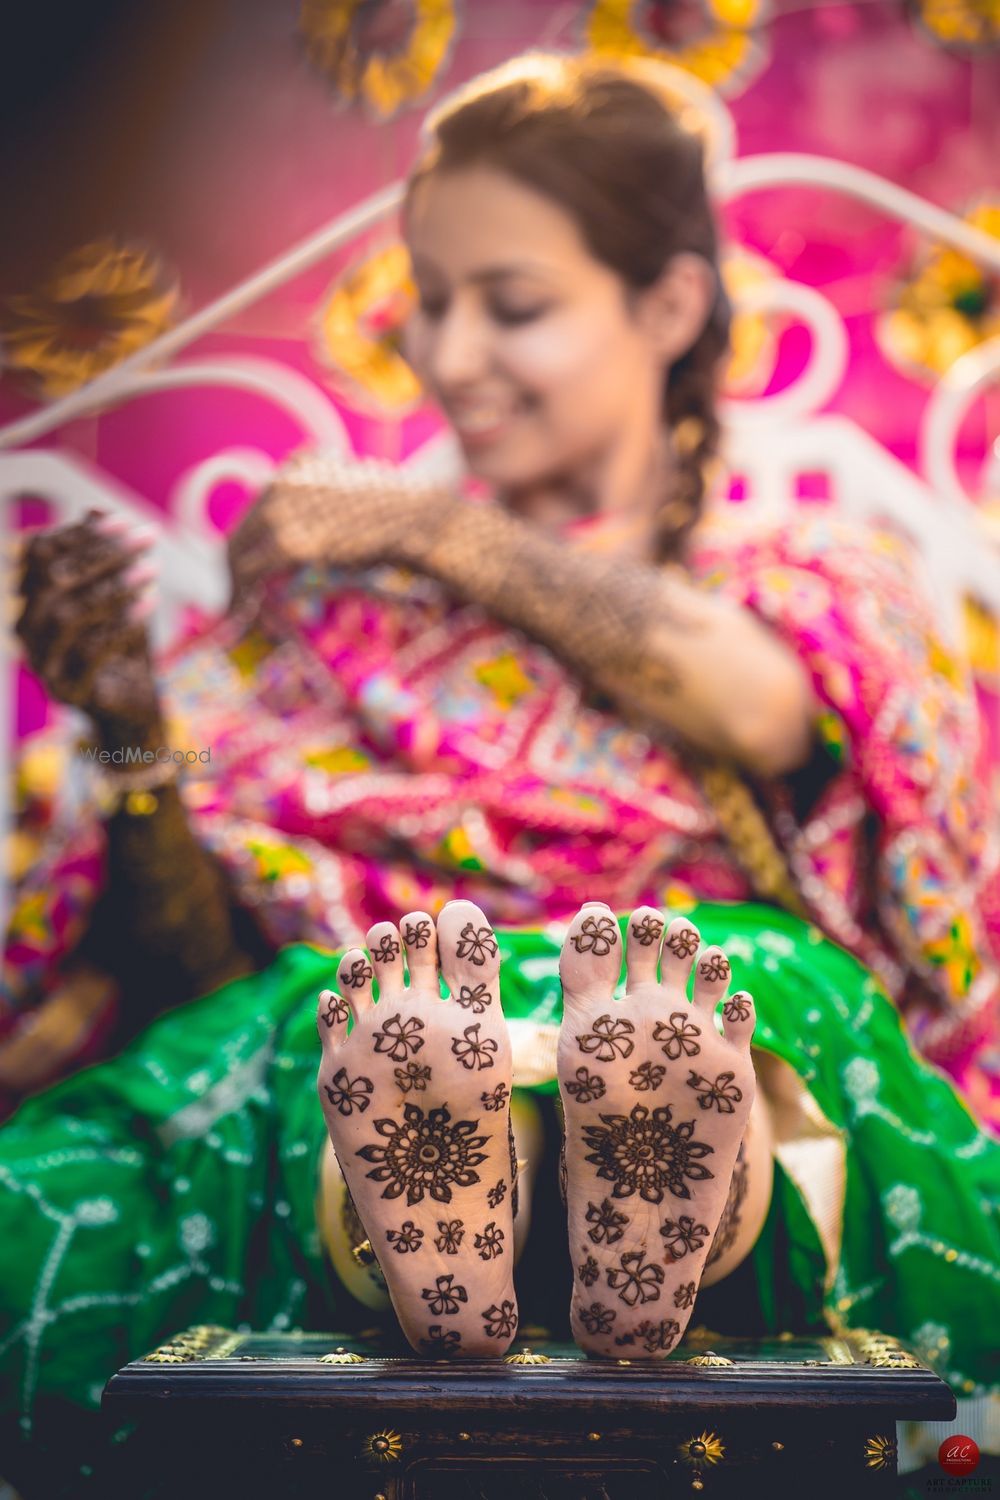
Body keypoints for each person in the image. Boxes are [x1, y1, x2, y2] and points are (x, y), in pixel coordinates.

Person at [1, 51, 997, 1495]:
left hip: (696, 984)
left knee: (708, 1004)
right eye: (434, 304)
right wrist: (125, 728)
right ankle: (475, 1209)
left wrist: (440, 535)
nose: (453, 357)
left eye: (512, 306)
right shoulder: (331, 619)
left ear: (667, 305)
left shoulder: (804, 575)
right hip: (368, 1003)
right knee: (334, 1029)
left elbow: (765, 711)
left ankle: (609, 1202)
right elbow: (192, 945)